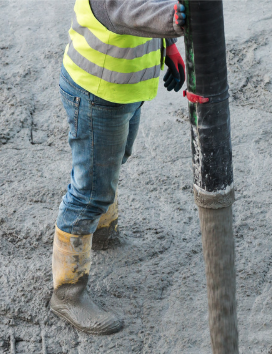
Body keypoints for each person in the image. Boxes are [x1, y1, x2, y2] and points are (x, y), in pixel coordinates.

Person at [52, 0, 187, 335]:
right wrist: (170, 20)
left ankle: (101, 232)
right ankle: (67, 294)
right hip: (97, 91)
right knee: (90, 192)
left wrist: (167, 44)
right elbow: (121, 9)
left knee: (112, 162)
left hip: (124, 88)